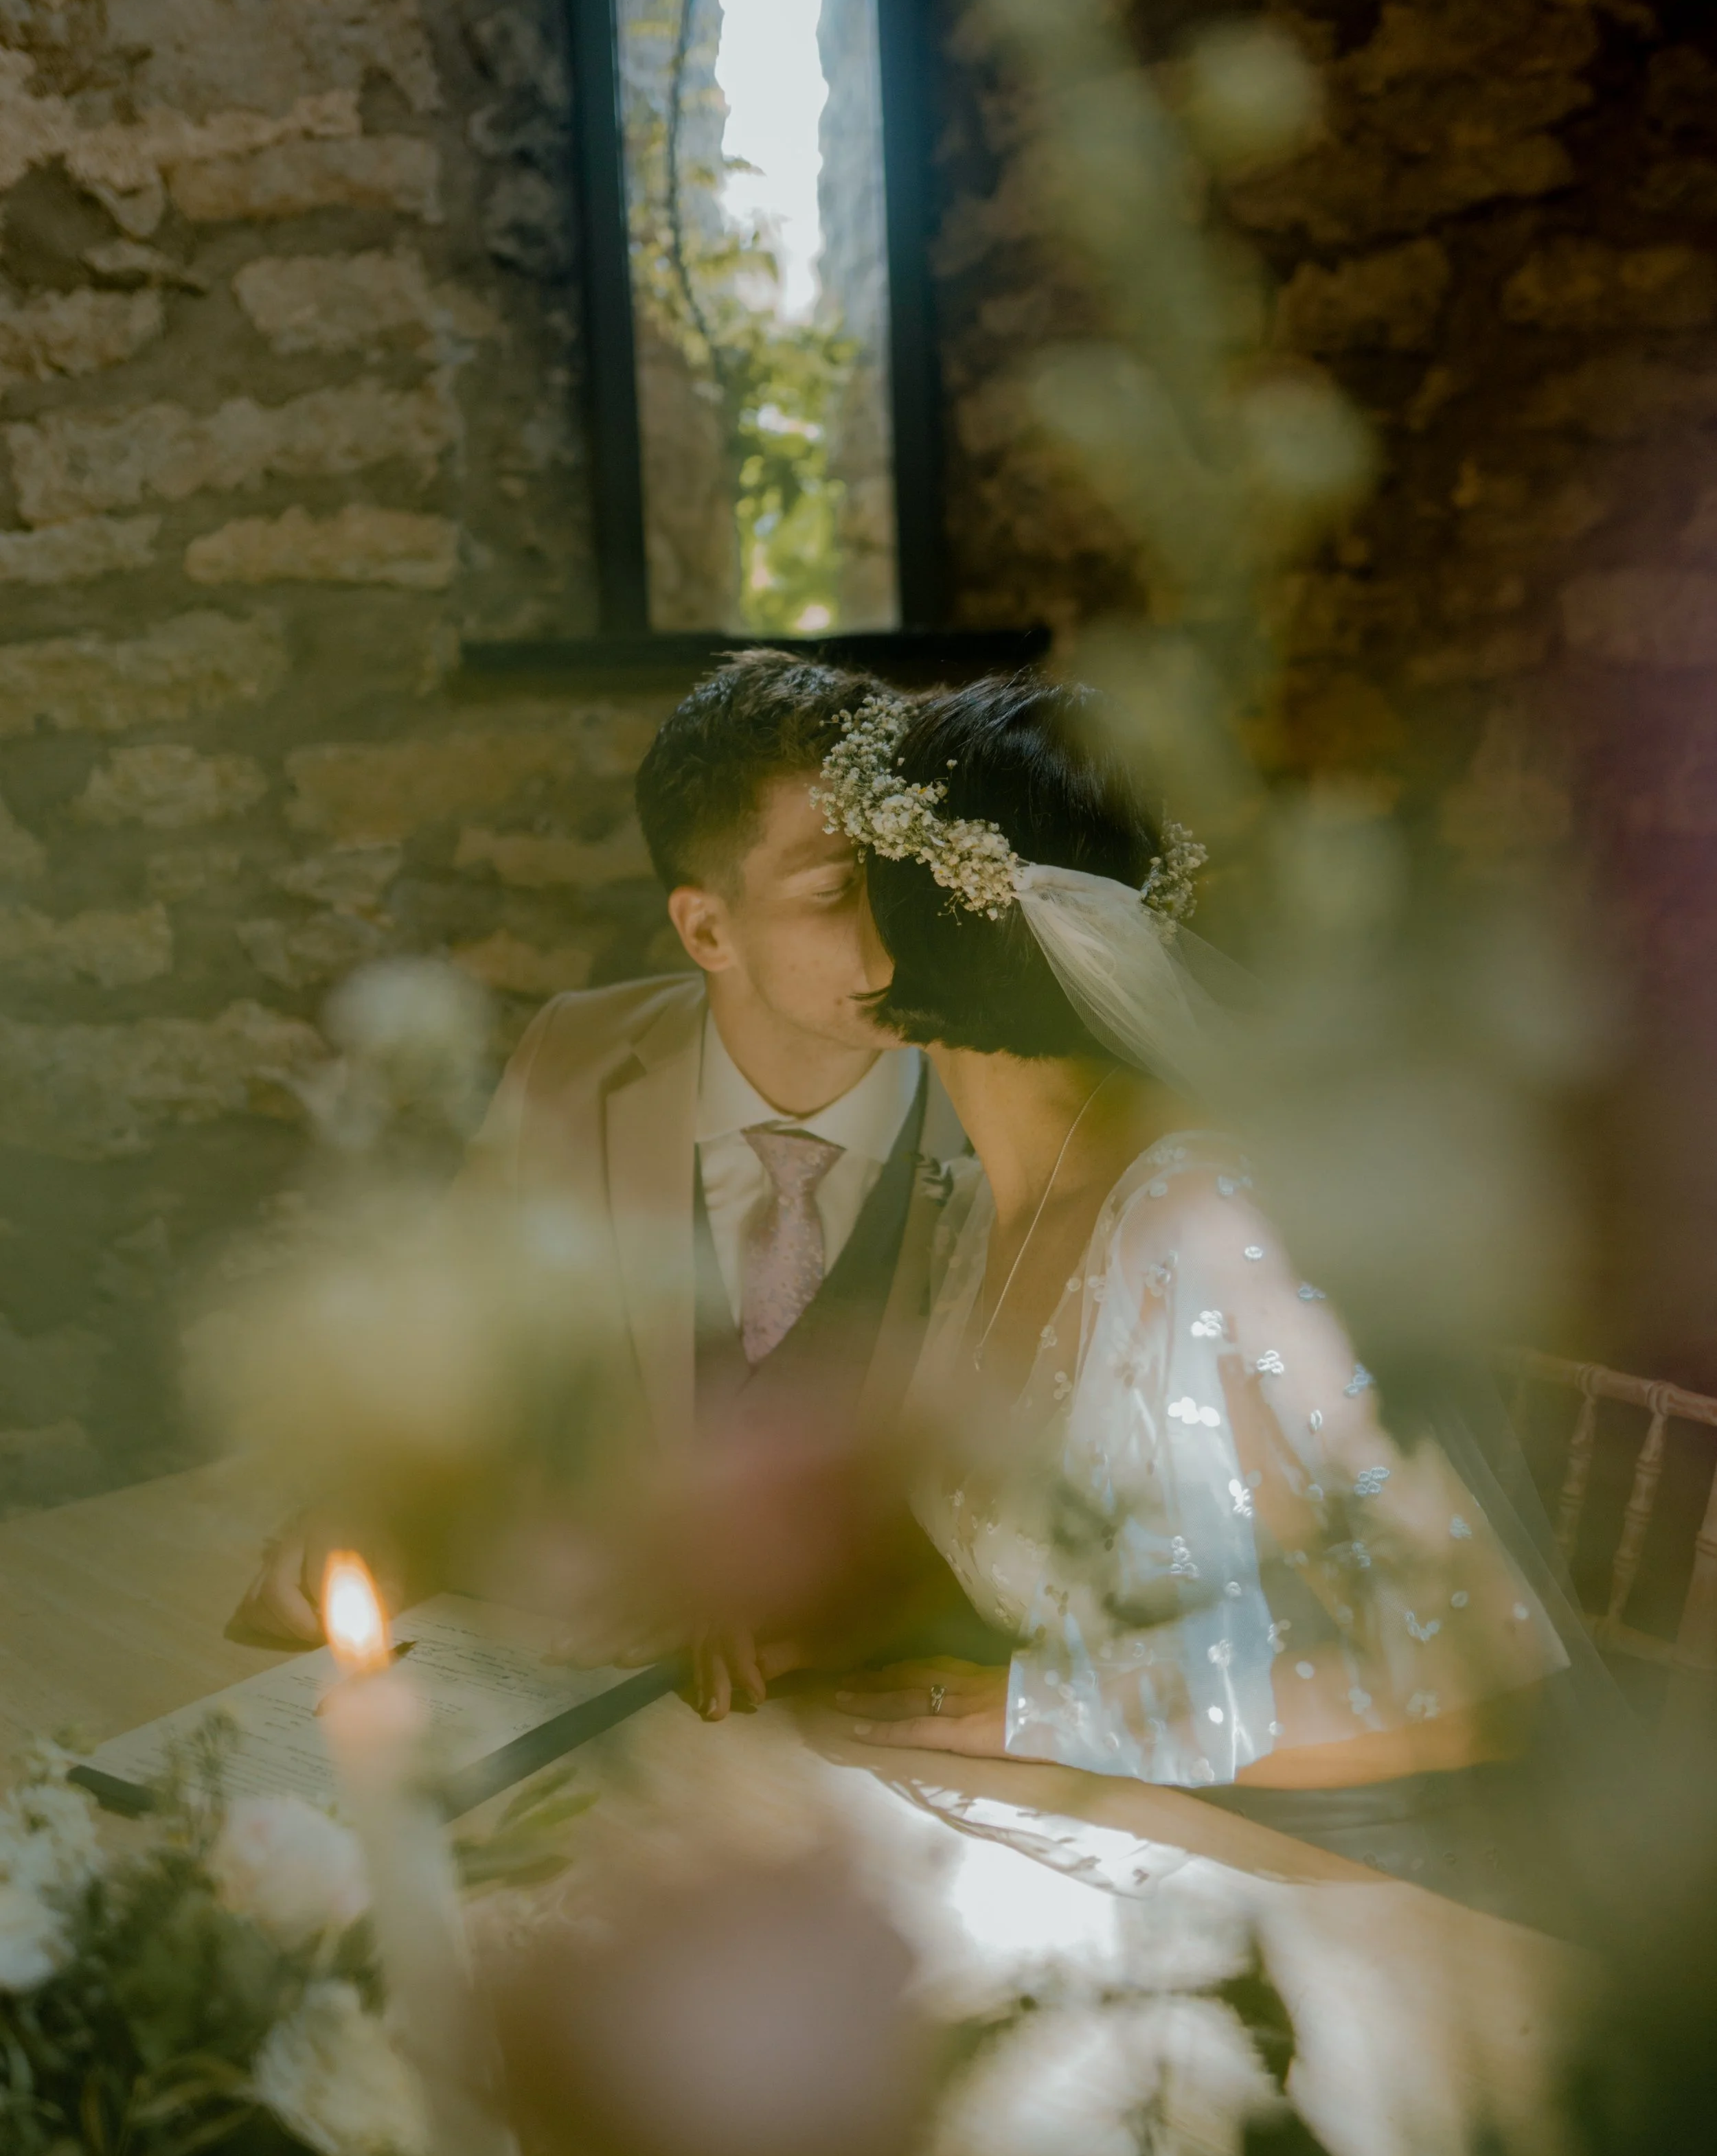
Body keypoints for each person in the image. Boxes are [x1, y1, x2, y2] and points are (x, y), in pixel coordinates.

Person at [819, 676, 1619, 1929]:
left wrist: (1030, 1708)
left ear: (906, 925)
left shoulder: (1207, 1222)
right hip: (1096, 1838)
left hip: (1328, 1892)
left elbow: (1477, 1682)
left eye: (830, 881)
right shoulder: (980, 1208)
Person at [234, 650, 964, 1679]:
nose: (897, 928)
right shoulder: (574, 1056)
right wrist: (354, 1505)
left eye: (904, 871)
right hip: (588, 1694)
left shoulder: (1010, 1099)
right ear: (707, 927)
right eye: (839, 887)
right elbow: (461, 1358)